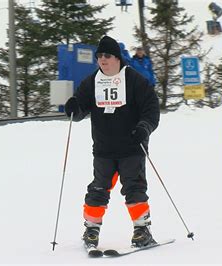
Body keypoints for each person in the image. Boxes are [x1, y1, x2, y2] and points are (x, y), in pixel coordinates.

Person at [64, 36, 160, 249]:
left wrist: (144, 128)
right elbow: (80, 107)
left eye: (107, 56)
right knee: (98, 189)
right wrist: (74, 108)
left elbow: (151, 109)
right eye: (99, 56)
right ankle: (91, 229)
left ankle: (142, 230)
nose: (102, 60)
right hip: (103, 149)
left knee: (134, 187)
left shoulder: (134, 80)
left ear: (117, 58)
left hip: (132, 147)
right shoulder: (91, 82)